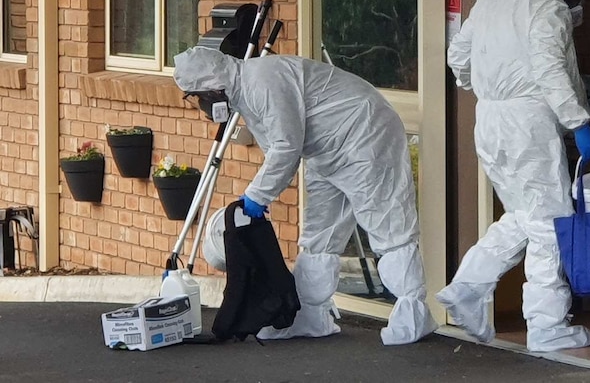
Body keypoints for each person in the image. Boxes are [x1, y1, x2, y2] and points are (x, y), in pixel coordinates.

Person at [172, 46, 438, 346]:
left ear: (212, 86)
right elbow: (278, 150)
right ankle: (310, 316)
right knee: (319, 233)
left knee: (386, 222)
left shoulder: (262, 81)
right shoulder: (244, 94)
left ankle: (413, 314)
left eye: (197, 96)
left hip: (365, 133)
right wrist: (260, 196)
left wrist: (257, 197)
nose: (200, 104)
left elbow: (286, 146)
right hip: (326, 148)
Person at [437, 0, 590, 352]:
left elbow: (457, 55)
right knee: (550, 223)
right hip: (529, 123)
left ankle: (467, 288)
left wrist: (485, 88)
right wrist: (578, 121)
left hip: (489, 119)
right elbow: (548, 66)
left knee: (523, 215)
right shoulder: (546, 3)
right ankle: (547, 326)